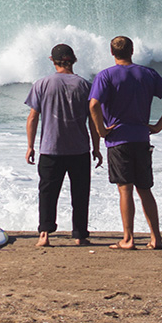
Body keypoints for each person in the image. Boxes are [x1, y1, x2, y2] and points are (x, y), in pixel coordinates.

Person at [89, 36, 162, 250]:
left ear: (112, 53)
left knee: (125, 190)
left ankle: (128, 239)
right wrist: (158, 126)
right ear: (133, 50)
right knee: (145, 189)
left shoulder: (105, 76)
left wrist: (101, 130)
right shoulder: (148, 74)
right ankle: (156, 238)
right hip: (141, 138)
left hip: (118, 141)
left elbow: (93, 105)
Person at [25, 43, 103, 247]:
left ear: (52, 60)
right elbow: (94, 122)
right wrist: (96, 148)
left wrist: (30, 146)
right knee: (80, 192)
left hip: (51, 148)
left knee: (48, 192)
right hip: (79, 149)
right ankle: (80, 235)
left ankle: (44, 234)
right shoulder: (85, 85)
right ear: (73, 60)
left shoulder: (42, 84)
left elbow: (33, 118)